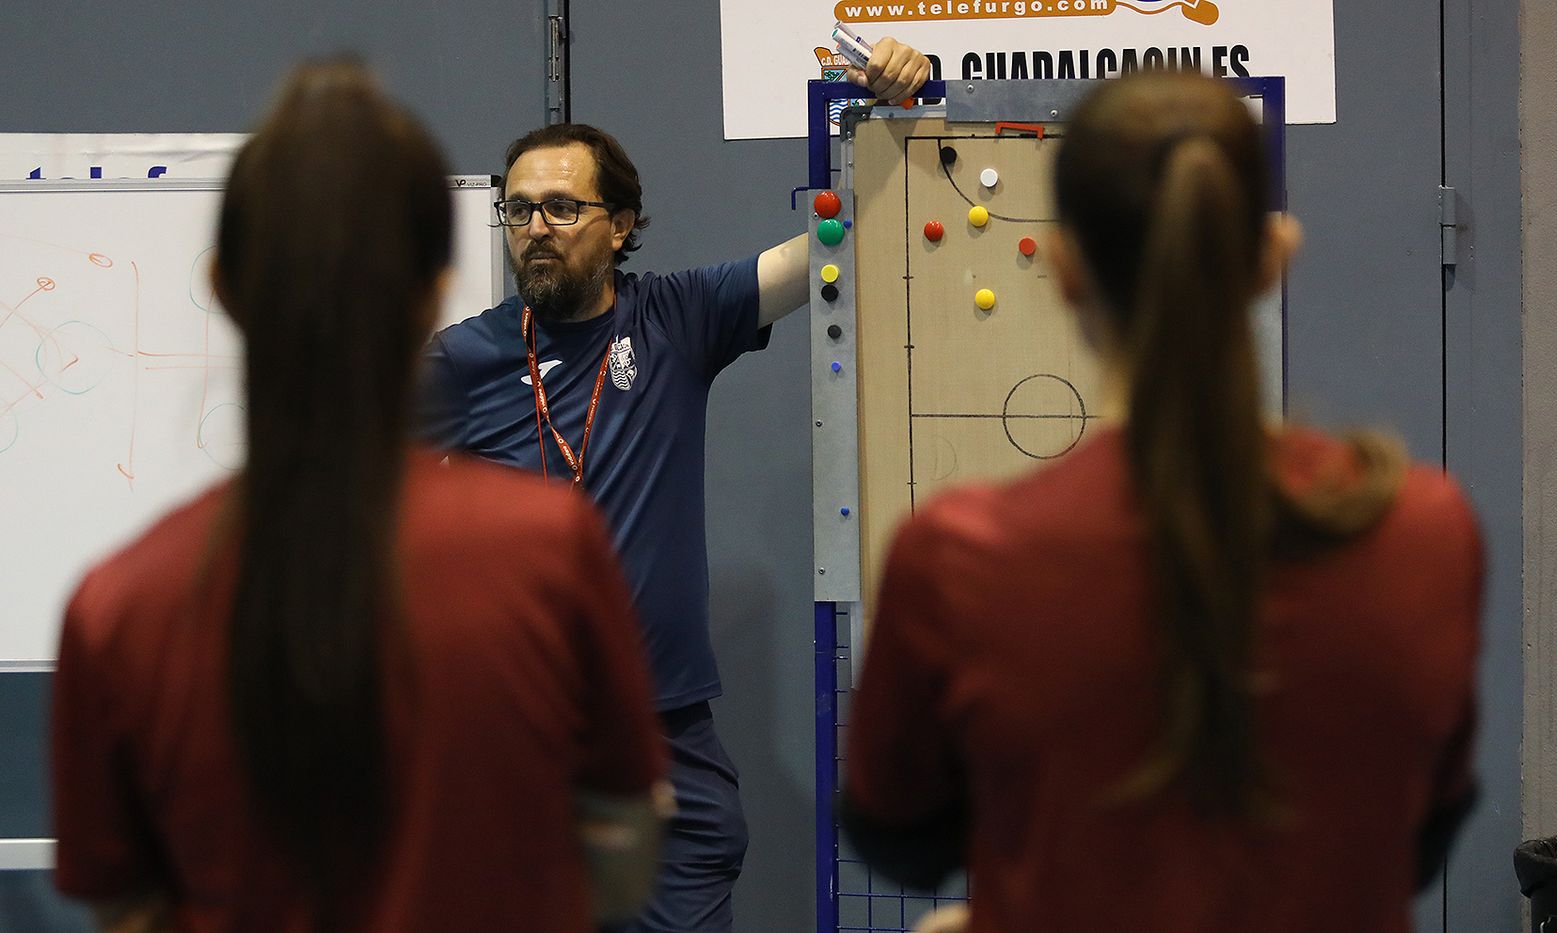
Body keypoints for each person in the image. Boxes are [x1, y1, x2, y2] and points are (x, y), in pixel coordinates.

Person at [841, 72, 1483, 933]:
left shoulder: (958, 557)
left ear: (1064, 270)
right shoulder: (1421, 532)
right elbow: (1418, 837)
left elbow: (900, 838)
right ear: (1273, 255)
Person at [50, 60, 669, 933]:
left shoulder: (117, 606)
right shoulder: (550, 553)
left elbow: (125, 905)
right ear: (435, 292)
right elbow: (620, 855)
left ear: (226, 289)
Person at [414, 39, 931, 932]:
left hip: (663, 740)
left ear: (619, 225)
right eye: (519, 208)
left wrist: (890, 117)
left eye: (562, 207)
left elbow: (833, 247)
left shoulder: (678, 318)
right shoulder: (464, 359)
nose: (535, 226)